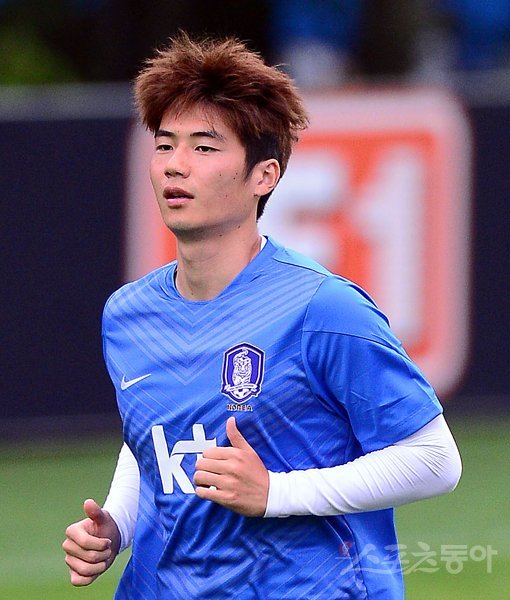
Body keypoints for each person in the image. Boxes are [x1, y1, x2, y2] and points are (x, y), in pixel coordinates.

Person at [63, 32, 462, 599]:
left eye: (205, 148)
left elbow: (434, 460)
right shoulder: (128, 313)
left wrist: (277, 493)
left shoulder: (323, 307)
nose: (176, 166)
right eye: (165, 145)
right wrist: (118, 525)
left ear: (264, 176)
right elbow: (154, 437)